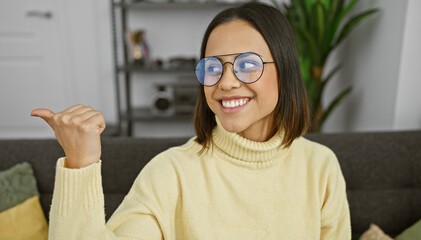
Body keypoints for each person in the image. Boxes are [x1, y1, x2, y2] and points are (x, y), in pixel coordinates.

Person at [31, 2, 351, 239]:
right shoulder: (171, 172)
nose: (225, 82)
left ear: (284, 70)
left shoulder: (319, 166)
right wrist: (80, 164)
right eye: (213, 68)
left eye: (247, 64)